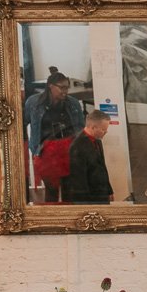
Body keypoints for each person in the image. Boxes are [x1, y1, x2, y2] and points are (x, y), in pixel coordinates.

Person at [23, 69, 85, 202]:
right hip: (46, 153)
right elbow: (23, 123)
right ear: (50, 86)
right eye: (62, 88)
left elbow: (80, 127)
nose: (65, 91)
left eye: (67, 88)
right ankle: (53, 218)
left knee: (69, 189)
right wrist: (29, 147)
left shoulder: (73, 103)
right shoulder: (33, 103)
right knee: (51, 191)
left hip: (69, 151)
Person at [67, 110, 114, 203]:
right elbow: (79, 180)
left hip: (101, 194)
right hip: (90, 199)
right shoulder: (77, 146)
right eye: (103, 129)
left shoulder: (98, 141)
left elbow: (102, 168)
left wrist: (109, 191)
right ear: (93, 127)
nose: (106, 132)